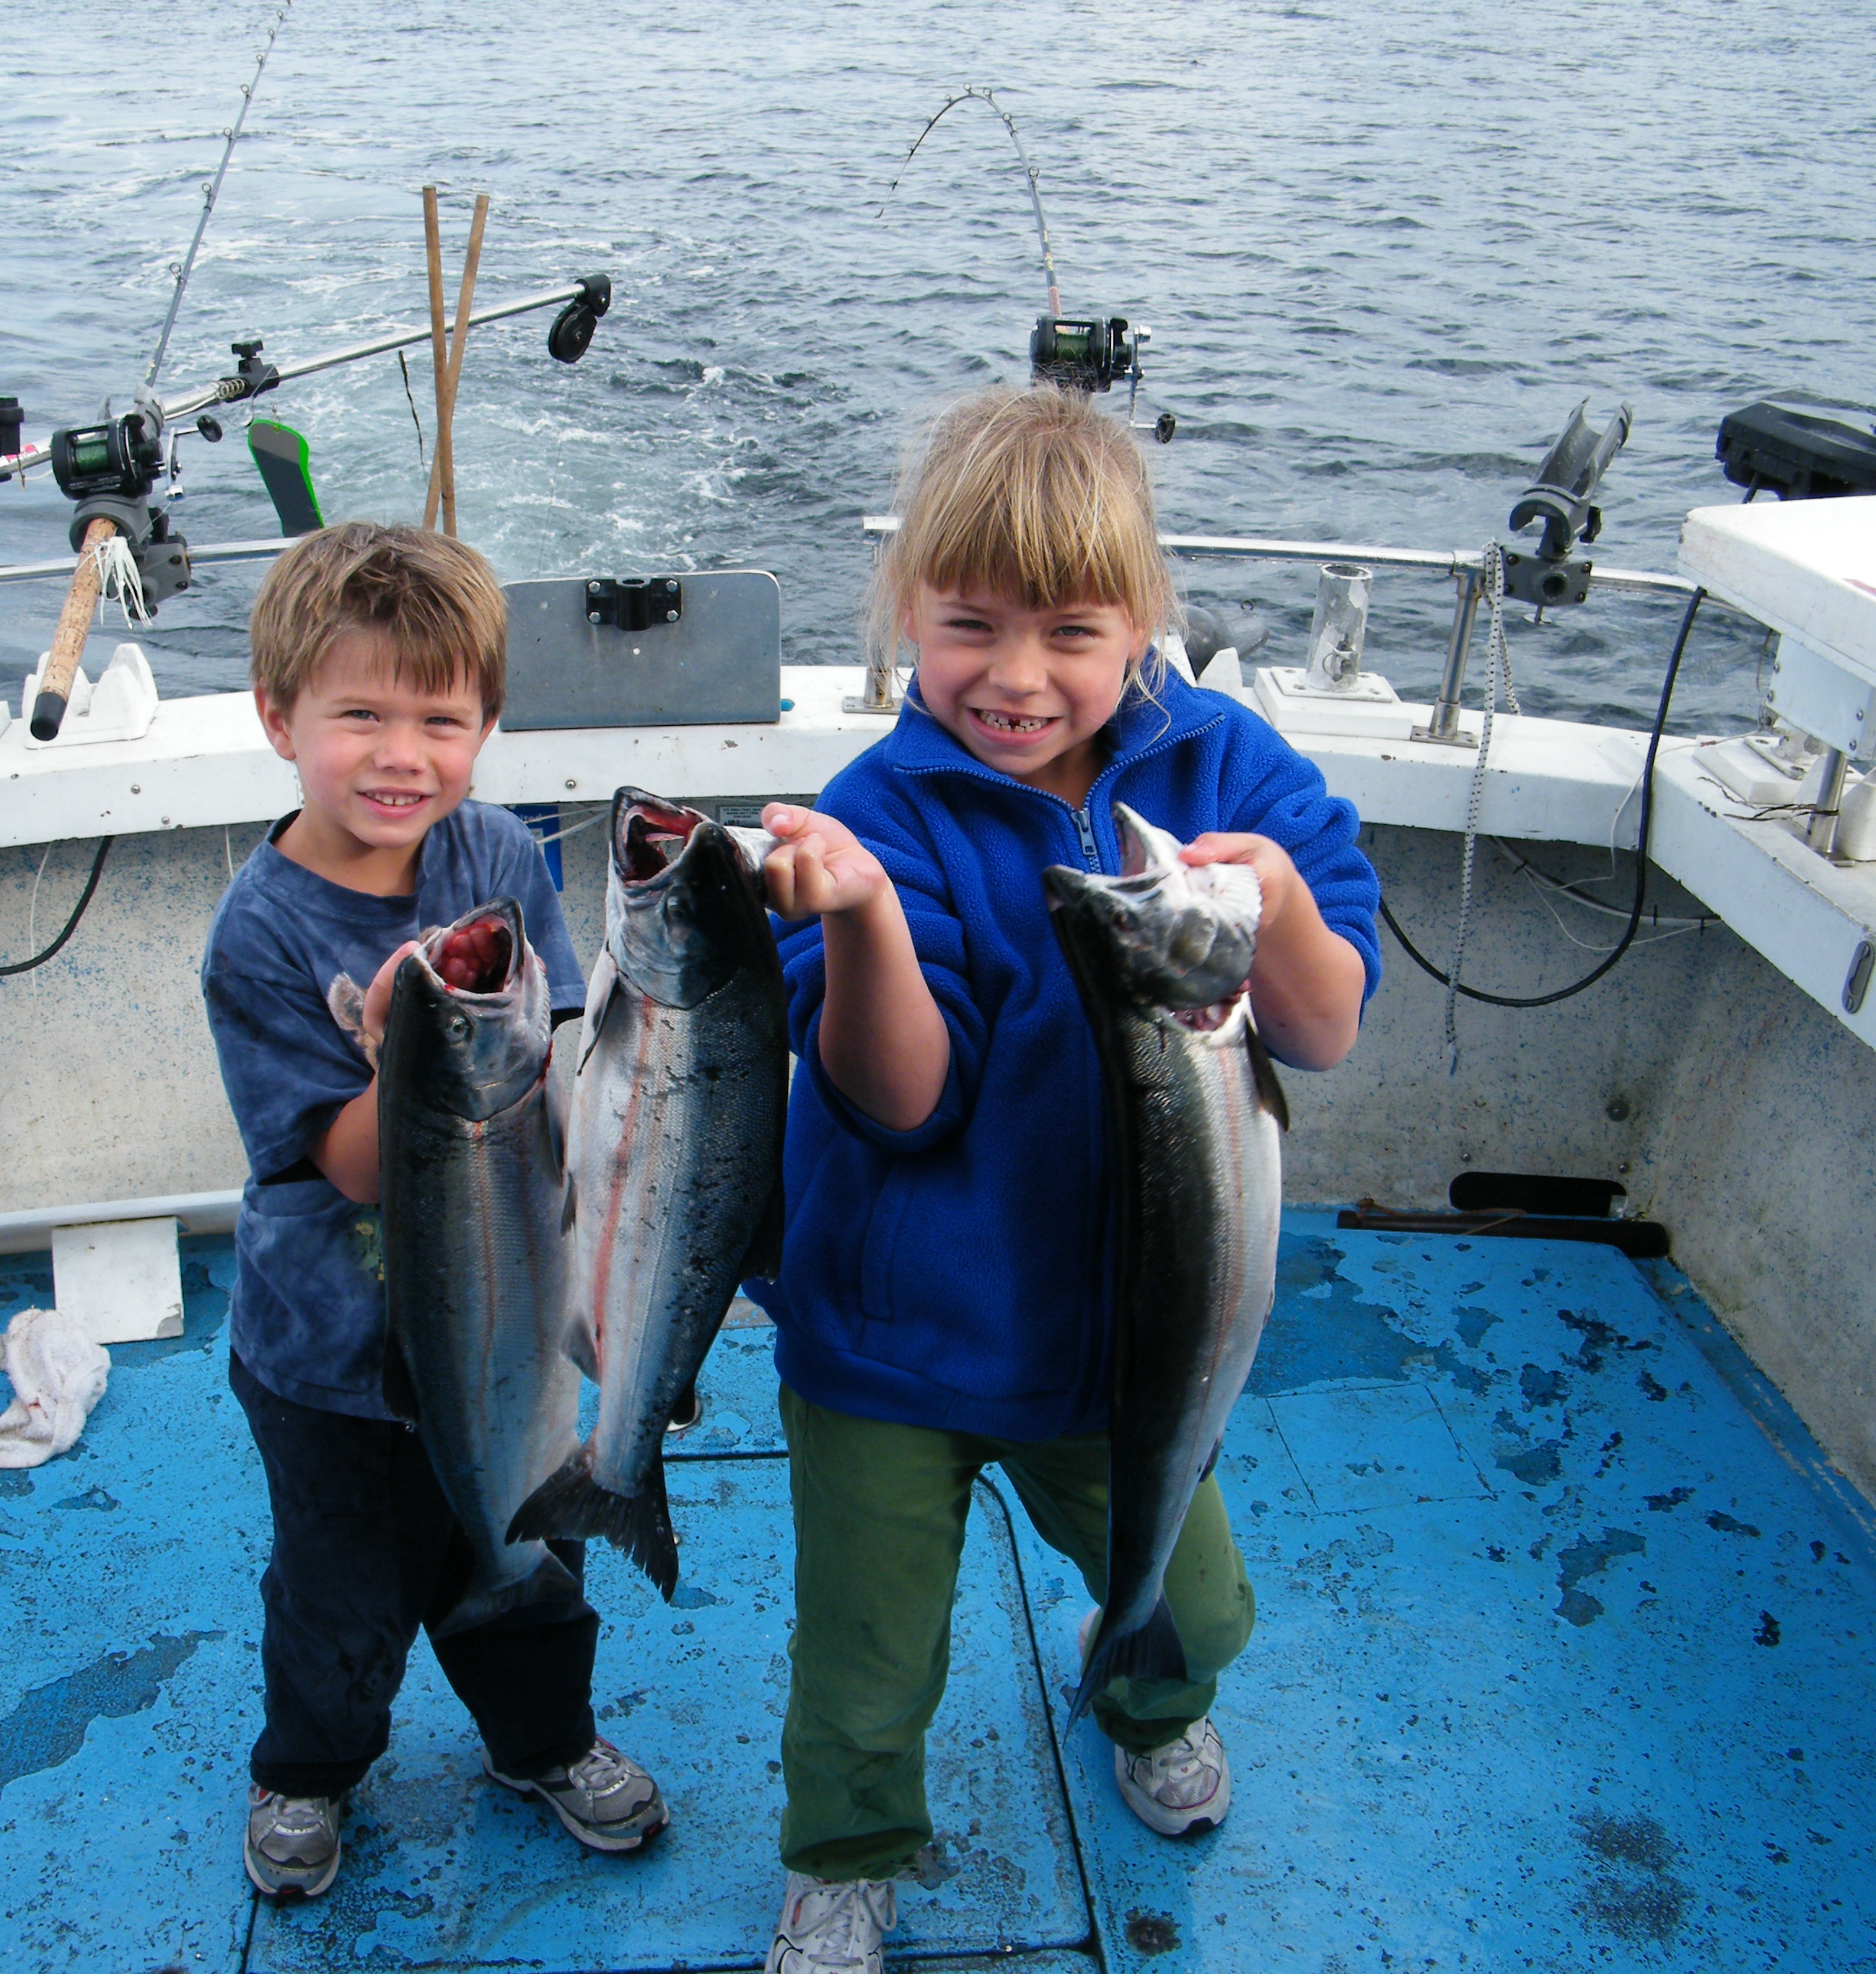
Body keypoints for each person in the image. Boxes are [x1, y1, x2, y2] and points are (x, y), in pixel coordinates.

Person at [748, 388, 1380, 1974]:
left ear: (1147, 621)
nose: (1016, 677)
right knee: (866, 1669)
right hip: (890, 1346)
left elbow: (1322, 1028)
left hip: (1124, 1353)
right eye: (969, 626)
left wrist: (1282, 904)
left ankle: (1144, 1691)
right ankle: (846, 1854)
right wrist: (866, 918)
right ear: (906, 614)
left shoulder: (1236, 769)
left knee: (1196, 1609)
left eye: (1072, 633)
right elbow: (900, 1106)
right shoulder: (879, 816)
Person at [200, 521, 668, 1898]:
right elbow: (348, 1165)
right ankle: (310, 1768)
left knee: (526, 1562)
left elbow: (564, 1044)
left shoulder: (500, 858)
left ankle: (543, 1741)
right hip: (332, 1362)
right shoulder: (261, 932)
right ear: (280, 719)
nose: (400, 754)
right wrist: (405, 1054)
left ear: (487, 728)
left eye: (440, 721)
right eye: (359, 715)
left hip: (512, 1333)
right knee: (341, 1596)